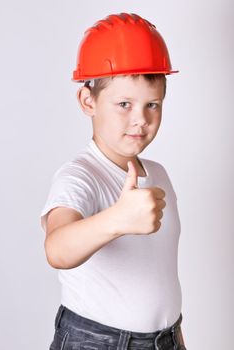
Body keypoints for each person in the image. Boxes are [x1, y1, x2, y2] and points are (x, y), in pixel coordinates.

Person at [40, 12, 187, 350]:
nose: (141, 119)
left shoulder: (158, 173)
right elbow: (57, 248)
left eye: (153, 104)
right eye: (124, 104)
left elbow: (162, 282)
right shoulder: (80, 175)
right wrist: (117, 220)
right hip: (98, 342)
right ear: (88, 101)